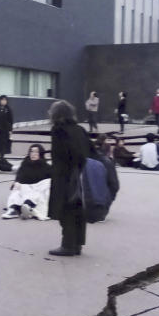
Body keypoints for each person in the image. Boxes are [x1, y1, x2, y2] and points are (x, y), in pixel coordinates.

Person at [48, 100, 89, 256]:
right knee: (78, 209)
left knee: (66, 211)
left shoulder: (58, 131)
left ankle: (68, 245)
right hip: (80, 175)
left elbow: (60, 156)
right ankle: (78, 244)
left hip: (64, 177)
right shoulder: (80, 130)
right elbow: (88, 152)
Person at [2, 144, 51, 220]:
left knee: (47, 183)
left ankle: (27, 206)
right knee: (17, 190)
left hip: (37, 190)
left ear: (41, 154)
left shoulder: (46, 167)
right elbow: (19, 176)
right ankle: (13, 209)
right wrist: (16, 182)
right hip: (25, 189)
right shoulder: (25, 164)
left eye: (36, 152)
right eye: (31, 151)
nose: (33, 154)